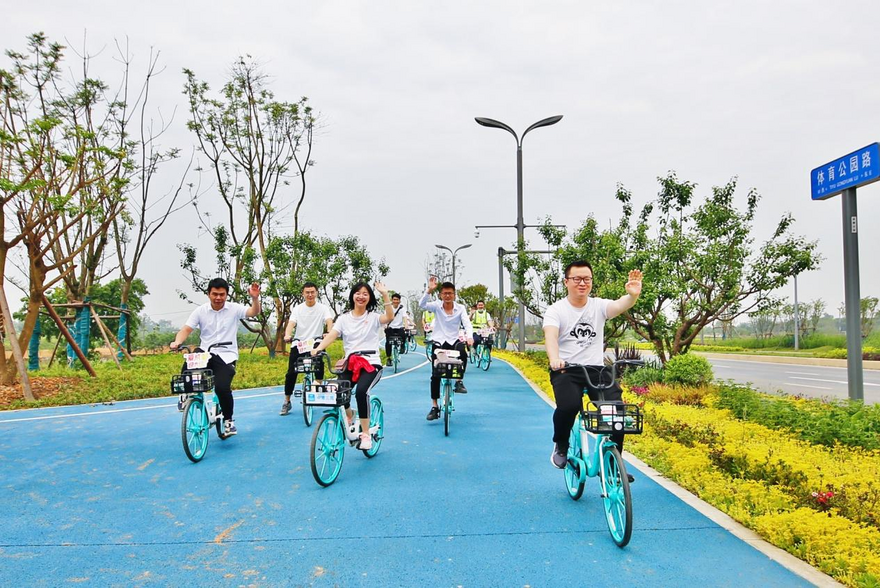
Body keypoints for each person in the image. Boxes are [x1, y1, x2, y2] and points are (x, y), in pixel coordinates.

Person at [543, 261, 642, 475]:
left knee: (615, 413)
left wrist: (632, 296)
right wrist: (555, 358)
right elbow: (550, 336)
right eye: (577, 279)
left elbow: (619, 305)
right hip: (566, 370)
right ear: (566, 282)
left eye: (587, 279)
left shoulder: (598, 306)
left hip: (597, 370)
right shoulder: (556, 310)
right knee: (569, 407)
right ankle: (561, 444)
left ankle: (614, 464)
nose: (582, 283)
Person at [171, 278, 262, 436]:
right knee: (190, 363)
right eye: (215, 294)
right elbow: (186, 329)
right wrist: (177, 342)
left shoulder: (233, 309)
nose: (218, 297)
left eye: (222, 294)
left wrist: (255, 298)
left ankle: (228, 421)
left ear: (226, 295)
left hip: (226, 355)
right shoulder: (201, 311)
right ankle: (184, 395)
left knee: (222, 388)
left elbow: (253, 312)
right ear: (208, 294)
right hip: (206, 352)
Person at [310, 281, 394, 450]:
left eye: (365, 293)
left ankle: (366, 434)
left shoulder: (373, 317)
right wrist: (318, 348)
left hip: (371, 364)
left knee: (362, 392)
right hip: (351, 363)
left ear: (369, 298)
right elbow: (332, 334)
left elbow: (389, 317)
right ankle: (349, 415)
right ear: (352, 296)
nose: (361, 296)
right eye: (358, 293)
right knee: (337, 390)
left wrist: (385, 294)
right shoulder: (343, 319)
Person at [419, 277, 473, 421]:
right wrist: (429, 290)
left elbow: (467, 324)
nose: (447, 296)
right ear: (441, 295)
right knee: (436, 373)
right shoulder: (436, 306)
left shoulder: (460, 308)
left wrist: (469, 337)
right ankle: (435, 406)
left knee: (463, 353)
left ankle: (459, 381)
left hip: (454, 340)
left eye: (450, 293)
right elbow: (422, 304)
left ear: (454, 295)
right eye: (445, 293)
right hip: (439, 341)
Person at [280, 282, 334, 416]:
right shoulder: (298, 309)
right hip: (299, 343)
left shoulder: (323, 308)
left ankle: (315, 386)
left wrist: (329, 332)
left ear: (316, 293)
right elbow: (291, 324)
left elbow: (329, 321)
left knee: (319, 367)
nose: (310, 295)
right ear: (303, 294)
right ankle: (287, 401)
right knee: (291, 373)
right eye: (307, 292)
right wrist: (287, 334)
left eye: (312, 292)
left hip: (316, 342)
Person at [384, 293, 409, 365]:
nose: (395, 301)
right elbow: (386, 317)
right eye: (394, 299)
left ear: (399, 301)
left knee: (404, 335)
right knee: (388, 342)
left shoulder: (402, 309)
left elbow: (405, 318)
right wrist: (385, 325)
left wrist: (406, 326)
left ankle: (402, 346)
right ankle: (388, 358)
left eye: (397, 300)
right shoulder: (389, 308)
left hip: (399, 327)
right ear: (392, 300)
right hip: (390, 327)